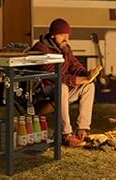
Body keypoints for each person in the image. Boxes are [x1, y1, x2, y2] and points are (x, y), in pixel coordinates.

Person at [31, 18, 102, 147]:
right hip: (42, 89)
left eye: (67, 35)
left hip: (59, 89)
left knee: (89, 86)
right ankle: (65, 134)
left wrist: (87, 74)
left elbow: (75, 66)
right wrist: (76, 80)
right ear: (53, 35)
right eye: (62, 35)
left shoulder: (65, 48)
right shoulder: (41, 49)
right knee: (62, 86)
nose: (66, 38)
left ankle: (82, 129)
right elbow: (53, 75)